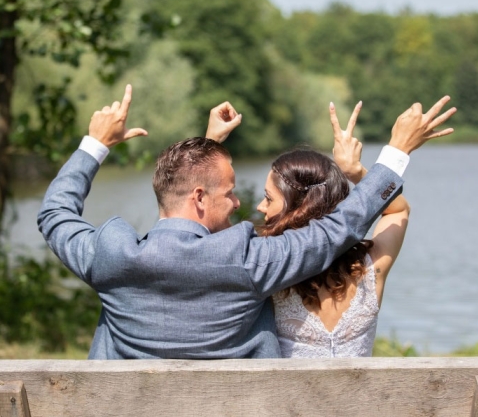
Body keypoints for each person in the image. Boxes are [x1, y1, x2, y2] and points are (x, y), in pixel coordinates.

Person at [37, 84, 455, 359]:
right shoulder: (248, 261)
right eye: (230, 191)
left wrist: (94, 145)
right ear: (200, 197)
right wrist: (396, 151)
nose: (240, 203)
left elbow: (55, 214)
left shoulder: (110, 256)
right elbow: (337, 228)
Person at [257, 102, 410, 357]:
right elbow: (398, 211)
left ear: (297, 208)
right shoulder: (371, 271)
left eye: (268, 198)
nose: (261, 207)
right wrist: (356, 172)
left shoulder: (268, 271)